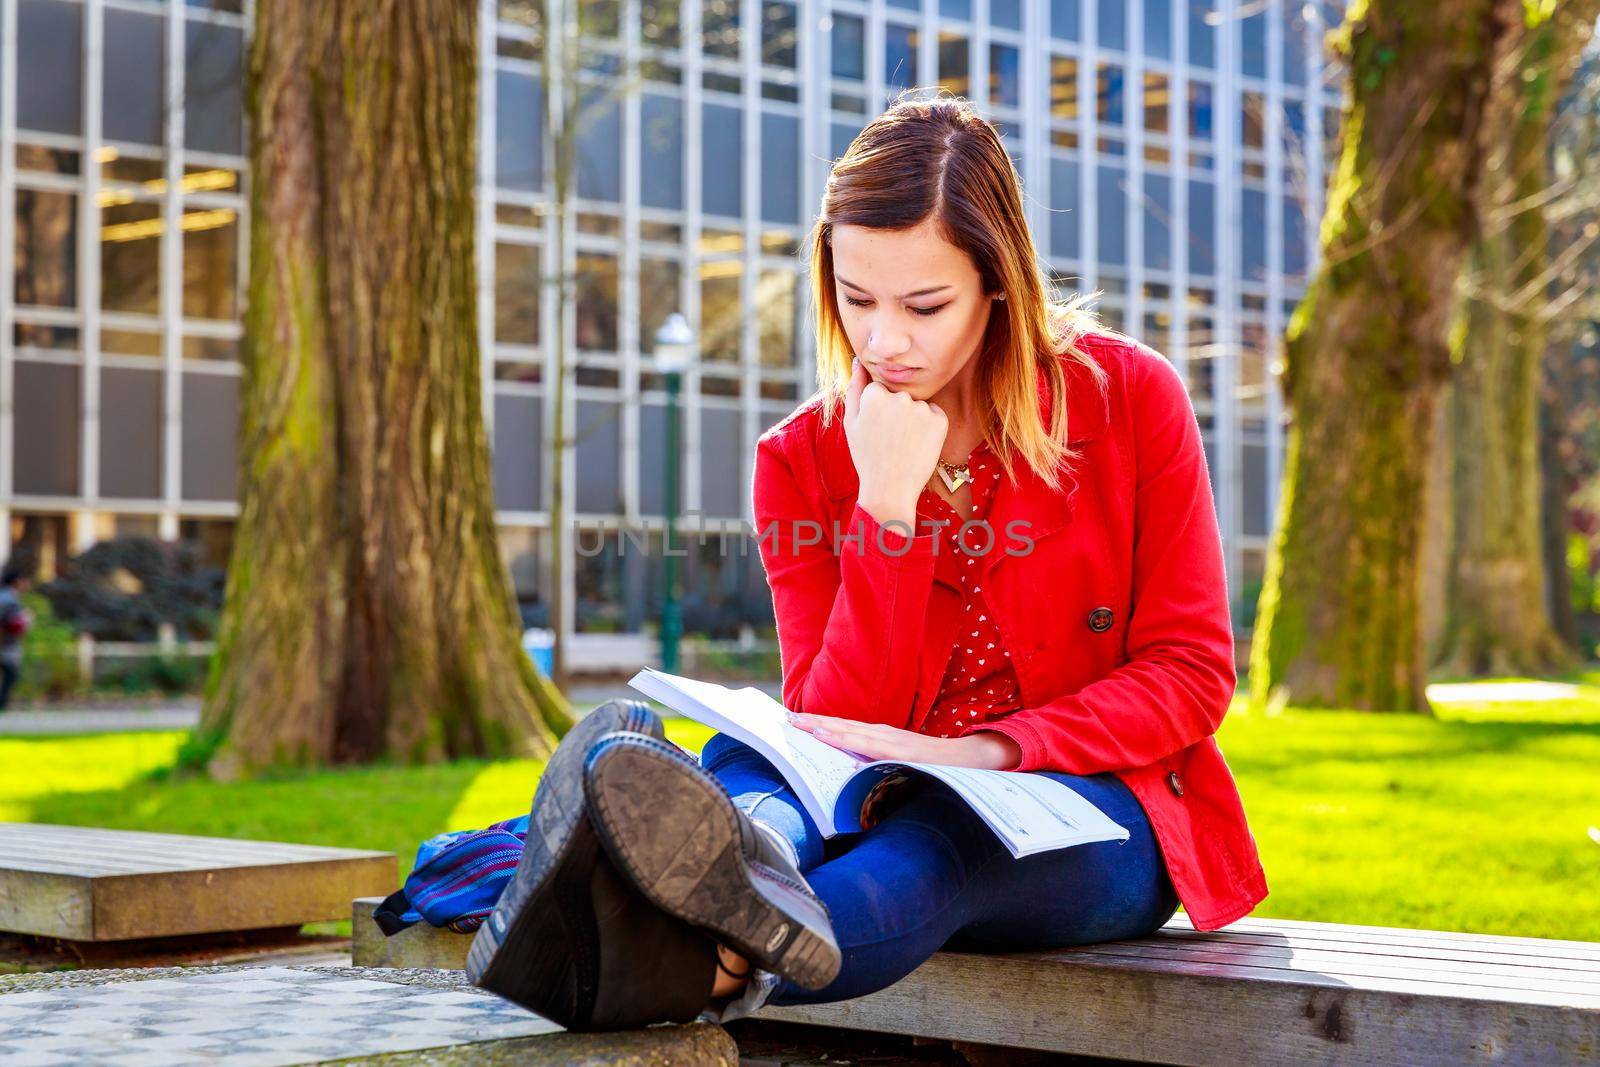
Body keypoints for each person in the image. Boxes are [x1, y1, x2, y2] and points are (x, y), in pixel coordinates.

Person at [468, 94, 1268, 1031]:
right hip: (861, 784)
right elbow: (833, 716)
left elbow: (1189, 675)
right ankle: (721, 888)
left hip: (1088, 811)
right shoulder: (802, 457)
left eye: (925, 305)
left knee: (946, 836)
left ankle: (696, 947)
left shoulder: (1128, 399)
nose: (884, 342)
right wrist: (887, 509)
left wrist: (978, 753)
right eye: (856, 299)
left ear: (998, 283)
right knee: (753, 767)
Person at [0, 565, 32, 712]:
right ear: (17, 581)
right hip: (5, 645)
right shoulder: (9, 599)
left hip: (7, 644)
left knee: (10, 674)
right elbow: (10, 622)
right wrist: (24, 620)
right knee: (11, 675)